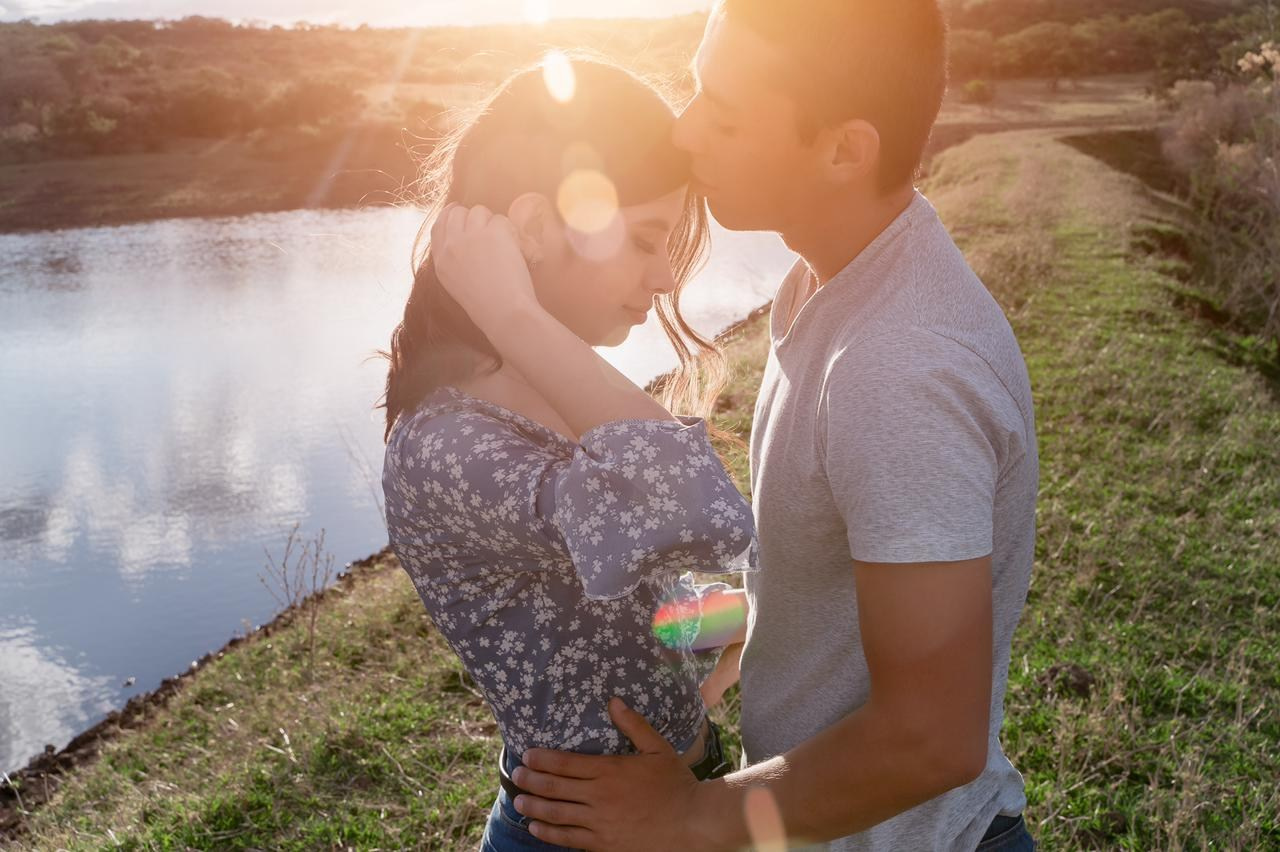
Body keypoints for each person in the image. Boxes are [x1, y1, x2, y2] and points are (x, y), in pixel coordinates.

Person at [506, 2, 1040, 850]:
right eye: (696, 91)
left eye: (722, 113)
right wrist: (665, 639)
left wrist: (687, 816)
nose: (684, 131)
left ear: (844, 150)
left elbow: (933, 738)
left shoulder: (899, 369)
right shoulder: (832, 279)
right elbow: (808, 581)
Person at [378, 57, 757, 852]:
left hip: (679, 808)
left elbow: (670, 592)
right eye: (646, 239)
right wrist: (513, 312)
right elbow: (691, 505)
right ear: (534, 228)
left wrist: (727, 636)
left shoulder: (557, 393)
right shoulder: (447, 443)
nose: (664, 277)